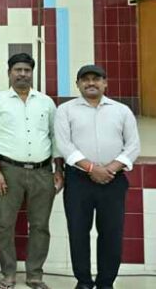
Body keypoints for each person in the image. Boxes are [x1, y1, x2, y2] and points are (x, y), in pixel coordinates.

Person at [55, 65, 140, 289]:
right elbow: (64, 145)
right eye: (85, 79)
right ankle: (83, 281)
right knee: (78, 232)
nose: (91, 83)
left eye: (96, 79)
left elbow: (133, 146)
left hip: (113, 181)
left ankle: (106, 283)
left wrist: (109, 169)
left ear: (105, 83)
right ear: (78, 84)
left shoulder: (121, 111)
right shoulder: (65, 110)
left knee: (111, 233)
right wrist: (92, 168)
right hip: (78, 181)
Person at [0, 53, 64, 289]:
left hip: (42, 172)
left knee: (40, 226)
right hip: (8, 171)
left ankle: (35, 275)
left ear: (32, 73)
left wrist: (58, 170)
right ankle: (8, 274)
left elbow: (55, 137)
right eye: (17, 70)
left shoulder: (46, 102)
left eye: (27, 70)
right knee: (5, 225)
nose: (22, 74)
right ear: (9, 73)